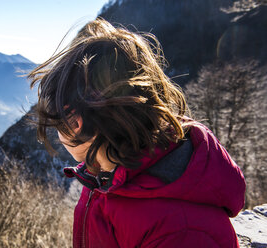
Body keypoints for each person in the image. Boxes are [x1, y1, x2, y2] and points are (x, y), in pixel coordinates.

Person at [28, 18, 246, 248]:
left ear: (75, 122)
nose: (58, 133)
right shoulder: (108, 175)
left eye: (59, 121)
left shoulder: (179, 231)